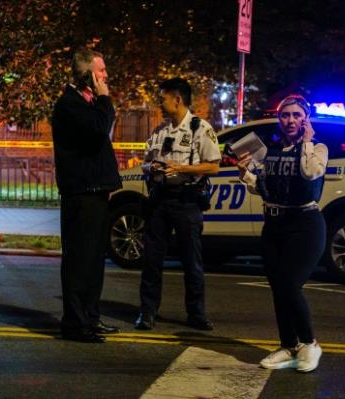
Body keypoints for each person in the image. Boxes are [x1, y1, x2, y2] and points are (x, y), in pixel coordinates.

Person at [237, 94, 327, 372]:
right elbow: (265, 187)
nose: (290, 120)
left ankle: (310, 344)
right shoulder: (272, 150)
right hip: (274, 225)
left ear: (305, 119)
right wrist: (245, 174)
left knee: (290, 284)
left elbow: (311, 173)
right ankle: (288, 346)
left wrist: (308, 140)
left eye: (297, 115)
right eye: (285, 115)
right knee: (278, 288)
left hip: (305, 225)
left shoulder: (318, 148)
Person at [135, 78, 221, 331]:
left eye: (163, 98)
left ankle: (196, 314)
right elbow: (146, 161)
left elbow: (214, 166)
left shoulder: (200, 129)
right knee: (152, 259)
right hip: (160, 200)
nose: (159, 103)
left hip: (187, 201)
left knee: (191, 260)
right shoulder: (160, 131)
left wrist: (182, 168)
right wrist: (153, 167)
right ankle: (147, 312)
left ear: (177, 99)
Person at [51, 47, 122, 343]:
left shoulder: (87, 102)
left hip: (96, 191)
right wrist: (105, 98)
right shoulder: (69, 104)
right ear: (87, 73)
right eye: (101, 70)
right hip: (81, 193)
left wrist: (101, 100)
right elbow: (97, 131)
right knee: (80, 260)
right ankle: (75, 323)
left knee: (94, 260)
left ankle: (90, 317)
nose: (106, 76)